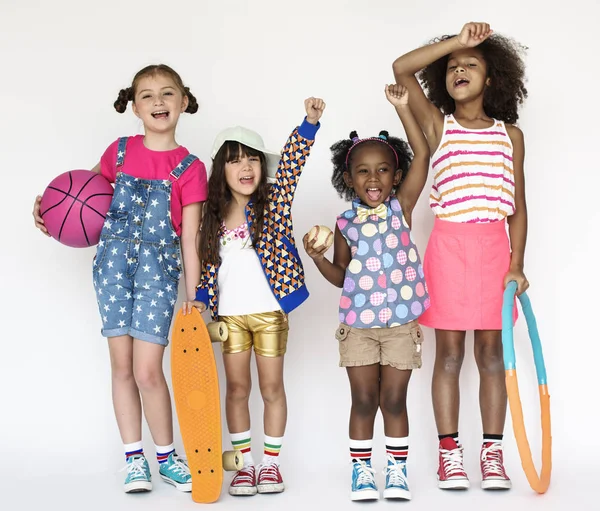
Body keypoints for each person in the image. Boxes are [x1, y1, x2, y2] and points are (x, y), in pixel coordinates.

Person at [32, 64, 207, 494]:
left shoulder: (191, 167)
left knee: (149, 371)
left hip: (158, 277)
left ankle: (166, 457)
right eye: (147, 95)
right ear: (133, 106)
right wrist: (50, 215)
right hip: (111, 271)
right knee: (122, 368)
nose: (158, 102)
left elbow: (190, 241)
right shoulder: (120, 151)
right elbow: (80, 198)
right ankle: (134, 460)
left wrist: (196, 294)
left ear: (184, 102)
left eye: (168, 94)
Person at [392, 21, 530, 490]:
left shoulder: (510, 136)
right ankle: (449, 455)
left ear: (491, 79)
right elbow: (401, 68)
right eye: (452, 67)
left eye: (472, 63)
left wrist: (517, 264)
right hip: (448, 248)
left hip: (494, 250)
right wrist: (459, 42)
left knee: (492, 355)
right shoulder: (438, 124)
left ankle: (493, 453)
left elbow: (518, 206)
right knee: (449, 355)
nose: (460, 69)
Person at [193, 97, 325, 496]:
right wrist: (201, 299)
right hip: (228, 319)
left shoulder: (274, 203)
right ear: (222, 170)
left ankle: (271, 465)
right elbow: (206, 266)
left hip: (269, 313)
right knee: (236, 390)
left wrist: (309, 125)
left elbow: (291, 165)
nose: (246, 167)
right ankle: (245, 465)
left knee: (271, 388)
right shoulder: (210, 216)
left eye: (252, 159)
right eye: (234, 160)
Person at [304, 85, 429, 501]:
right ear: (348, 177)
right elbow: (342, 277)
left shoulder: (402, 207)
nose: (373, 178)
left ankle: (396, 471)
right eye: (362, 170)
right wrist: (319, 258)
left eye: (382, 170)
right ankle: (362, 472)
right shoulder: (344, 222)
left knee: (393, 402)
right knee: (363, 401)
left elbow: (423, 154)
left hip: (399, 326)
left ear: (396, 177)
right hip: (358, 328)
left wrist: (403, 108)